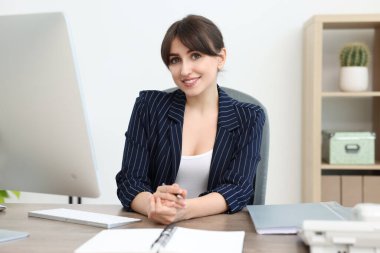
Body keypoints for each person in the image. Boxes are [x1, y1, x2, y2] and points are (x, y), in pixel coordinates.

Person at [116, 14, 265, 225]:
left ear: (220, 57)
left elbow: (238, 189)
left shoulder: (249, 117)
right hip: (155, 228)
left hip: (218, 231)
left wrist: (183, 210)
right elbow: (130, 181)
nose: (184, 70)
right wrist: (154, 205)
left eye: (195, 56)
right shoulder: (148, 107)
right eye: (175, 60)